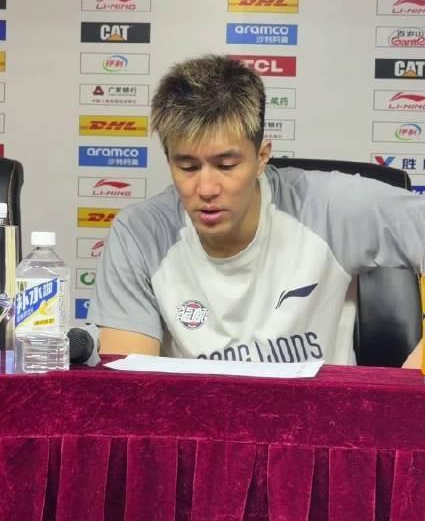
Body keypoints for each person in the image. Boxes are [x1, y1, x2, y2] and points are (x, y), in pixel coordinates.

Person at [88, 54, 425, 365]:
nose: (206, 188)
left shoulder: (329, 206)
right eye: (188, 167)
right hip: (196, 412)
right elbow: (132, 387)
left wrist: (409, 383)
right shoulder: (139, 234)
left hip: (320, 411)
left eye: (226, 165)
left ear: (262, 157)